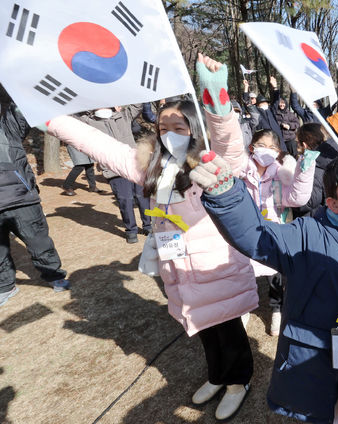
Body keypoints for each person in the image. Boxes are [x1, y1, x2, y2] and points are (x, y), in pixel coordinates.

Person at [47, 54, 257, 420]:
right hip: (180, 268)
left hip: (215, 265)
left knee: (228, 328)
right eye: (163, 126)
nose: (170, 132)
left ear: (195, 126)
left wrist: (216, 98)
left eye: (179, 125)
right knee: (203, 327)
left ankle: (239, 381)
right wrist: (53, 119)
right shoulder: (152, 165)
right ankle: (217, 376)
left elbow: (231, 145)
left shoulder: (212, 161)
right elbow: (101, 146)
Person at [194, 151, 338, 424]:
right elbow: (257, 238)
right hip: (314, 362)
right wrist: (227, 196)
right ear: (333, 204)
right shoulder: (306, 233)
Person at [240, 128, 315, 336]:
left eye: (273, 147)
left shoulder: (280, 176)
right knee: (243, 271)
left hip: (272, 231)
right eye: (262, 145)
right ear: (252, 147)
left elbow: (296, 198)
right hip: (244, 230)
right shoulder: (240, 173)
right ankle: (243, 308)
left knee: (274, 274)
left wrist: (304, 172)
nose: (267, 151)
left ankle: (276, 309)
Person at [0, 86, 70, 306]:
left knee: (38, 240)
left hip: (21, 199)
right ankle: (5, 286)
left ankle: (54, 276)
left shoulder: (7, 128)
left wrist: (21, 83)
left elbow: (20, 109)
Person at [75, 106, 152, 244]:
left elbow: (138, 104)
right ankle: (131, 230)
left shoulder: (123, 115)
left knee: (142, 197)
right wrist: (86, 108)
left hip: (135, 164)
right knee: (125, 200)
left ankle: (148, 225)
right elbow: (71, 117)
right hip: (113, 169)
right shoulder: (88, 121)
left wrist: (118, 98)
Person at [292, 123, 338, 218]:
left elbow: (310, 202)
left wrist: (289, 199)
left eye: (298, 143)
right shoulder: (333, 156)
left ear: (305, 145)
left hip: (314, 218)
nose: (297, 147)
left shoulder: (313, 166)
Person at [269, 76, 301, 156]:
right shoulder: (274, 113)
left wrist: (289, 126)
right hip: (280, 140)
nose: (281, 105)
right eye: (280, 103)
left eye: (283, 103)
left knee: (293, 156)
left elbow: (297, 123)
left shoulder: (290, 113)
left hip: (290, 139)